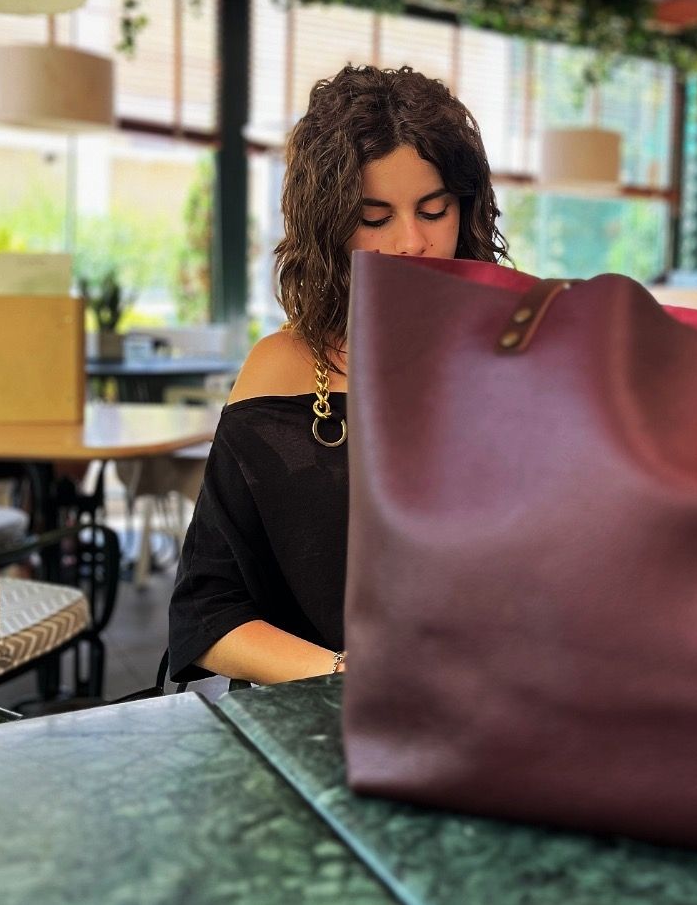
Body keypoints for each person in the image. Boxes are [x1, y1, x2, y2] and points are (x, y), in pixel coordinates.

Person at [168, 66, 510, 684]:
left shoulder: (514, 357)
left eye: (433, 210)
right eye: (375, 218)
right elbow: (208, 610)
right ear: (327, 229)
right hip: (322, 712)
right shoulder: (281, 369)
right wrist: (352, 675)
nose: (411, 242)